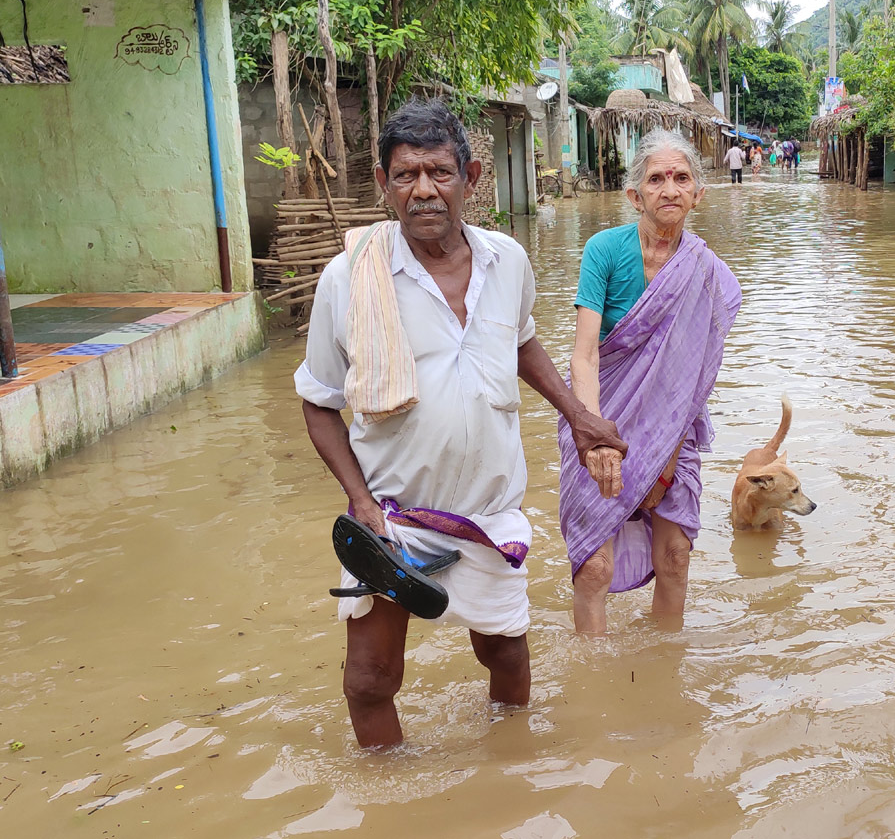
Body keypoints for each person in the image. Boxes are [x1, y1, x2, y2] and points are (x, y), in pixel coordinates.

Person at [296, 99, 625, 748]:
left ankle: (508, 771)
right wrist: (359, 501)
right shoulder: (350, 277)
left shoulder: (508, 262)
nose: (423, 190)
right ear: (385, 184)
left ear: (471, 179)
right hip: (388, 518)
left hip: (488, 509)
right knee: (368, 681)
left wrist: (579, 416)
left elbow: (522, 342)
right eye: (405, 175)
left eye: (439, 173)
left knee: (506, 659)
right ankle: (391, 802)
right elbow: (318, 400)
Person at [558, 129, 742, 634]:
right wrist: (594, 435)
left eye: (681, 178)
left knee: (677, 555)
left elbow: (693, 372)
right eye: (656, 179)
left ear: (698, 194)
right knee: (594, 564)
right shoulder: (605, 251)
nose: (670, 189)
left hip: (672, 429)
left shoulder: (708, 273)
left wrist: (670, 435)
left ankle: (664, 667)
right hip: (600, 418)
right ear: (635, 195)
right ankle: (593, 675)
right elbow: (585, 354)